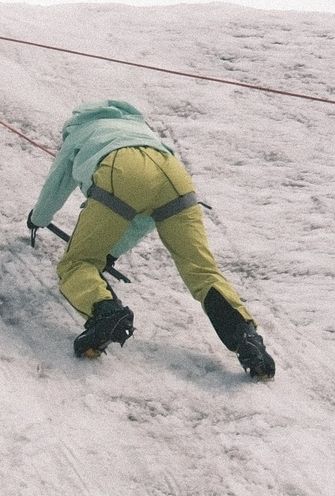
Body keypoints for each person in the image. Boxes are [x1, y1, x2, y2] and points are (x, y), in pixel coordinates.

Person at [27, 99, 275, 378]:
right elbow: (141, 215)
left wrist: (38, 220)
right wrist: (110, 253)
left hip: (121, 169)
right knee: (203, 272)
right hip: (175, 176)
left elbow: (56, 185)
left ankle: (105, 313)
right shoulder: (140, 129)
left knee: (77, 264)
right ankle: (247, 339)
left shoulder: (79, 132)